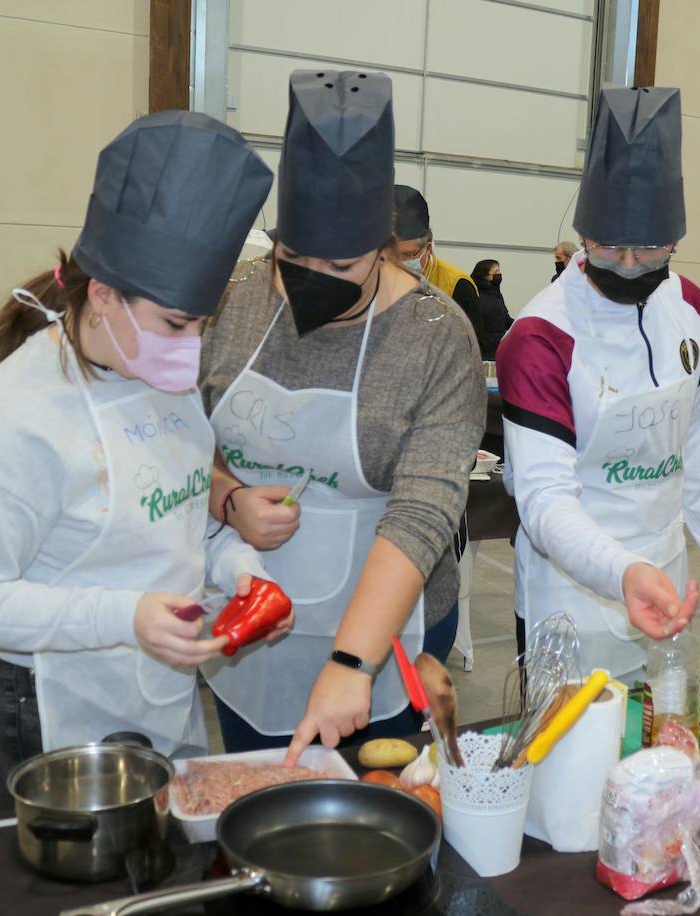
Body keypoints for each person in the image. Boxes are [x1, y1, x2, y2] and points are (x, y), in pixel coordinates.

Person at [0, 112, 278, 814]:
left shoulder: (162, 381)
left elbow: (178, 513)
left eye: (203, 323)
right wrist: (124, 616)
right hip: (42, 703)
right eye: (177, 324)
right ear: (104, 295)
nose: (192, 346)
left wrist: (238, 569)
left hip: (154, 682)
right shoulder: (9, 423)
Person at [200, 72, 484, 760]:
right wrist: (227, 498)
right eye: (292, 258)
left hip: (390, 626)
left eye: (340, 263)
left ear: (383, 248)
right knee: (261, 792)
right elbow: (169, 439)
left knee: (378, 812)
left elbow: (422, 513)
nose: (311, 277)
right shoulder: (230, 296)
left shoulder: (435, 335)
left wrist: (354, 661)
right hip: (248, 613)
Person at [496, 87, 700, 681]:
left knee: (661, 753)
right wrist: (622, 572)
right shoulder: (540, 336)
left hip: (665, 574)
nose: (632, 264)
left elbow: (691, 450)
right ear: (583, 232)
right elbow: (543, 501)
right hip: (570, 595)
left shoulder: (687, 305)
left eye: (651, 247)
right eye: (611, 246)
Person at [394, 185, 483, 349]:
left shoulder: (457, 285)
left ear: (427, 248)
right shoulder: (375, 280)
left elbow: (471, 347)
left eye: (408, 255)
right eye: (392, 255)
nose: (398, 263)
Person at [471, 258, 513, 360]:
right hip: (483, 352)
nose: (500, 274)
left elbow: (505, 318)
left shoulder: (497, 294)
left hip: (498, 350)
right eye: (496, 272)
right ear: (485, 276)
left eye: (499, 271)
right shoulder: (476, 295)